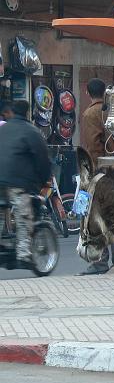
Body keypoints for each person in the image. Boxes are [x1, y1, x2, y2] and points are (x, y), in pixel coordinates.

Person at [78, 79, 114, 275]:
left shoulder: (91, 114)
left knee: (97, 216)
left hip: (101, 170)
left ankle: (100, 262)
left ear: (88, 92)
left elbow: (93, 146)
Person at [0, 101, 51, 267]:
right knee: (23, 216)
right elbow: (43, 159)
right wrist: (44, 180)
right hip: (18, 182)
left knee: (1, 212)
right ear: (27, 113)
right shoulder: (31, 131)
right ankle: (24, 255)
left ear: (12, 113)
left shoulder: (3, 129)